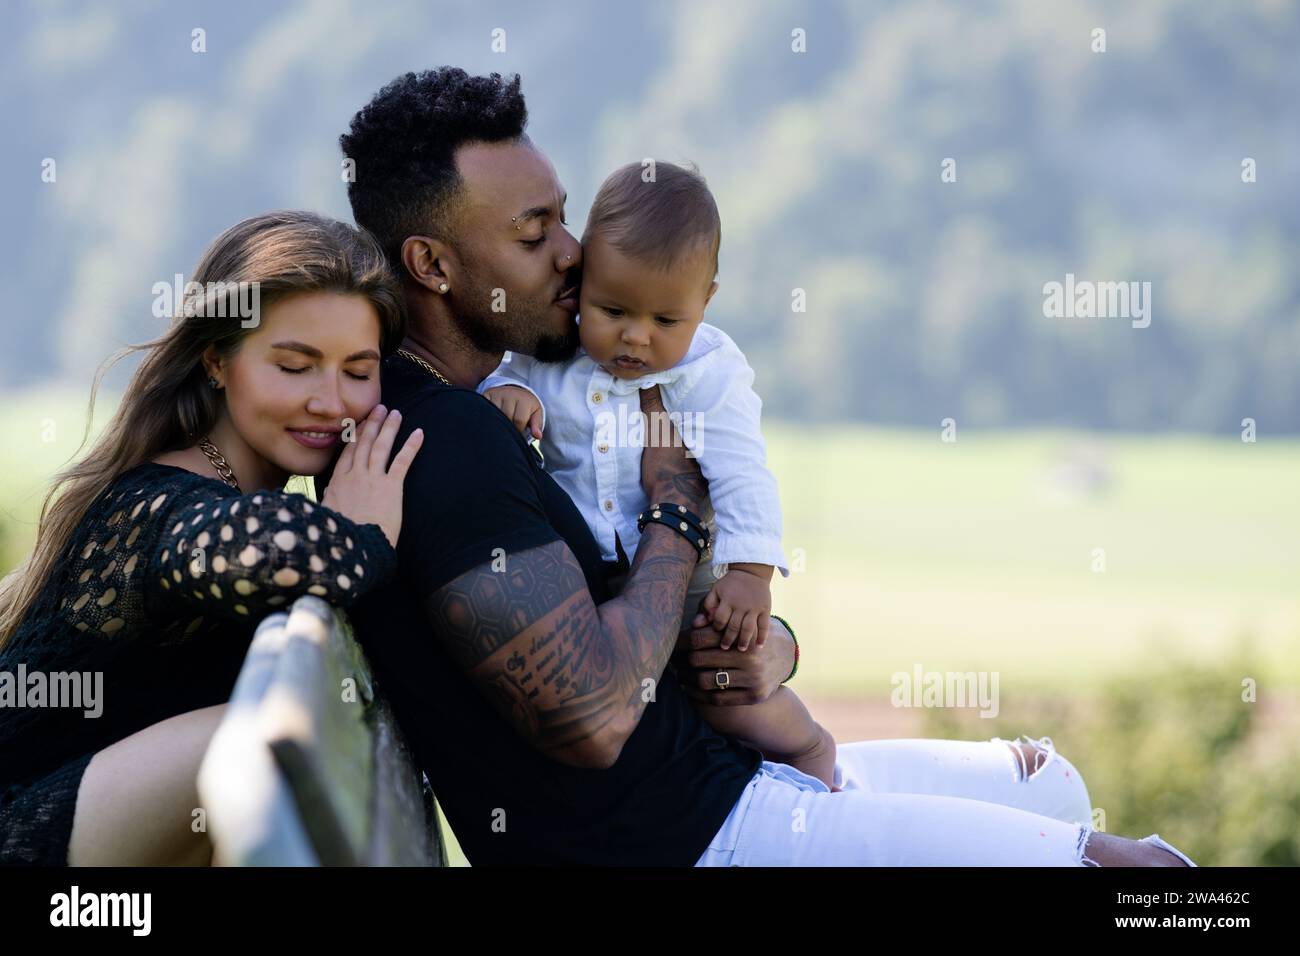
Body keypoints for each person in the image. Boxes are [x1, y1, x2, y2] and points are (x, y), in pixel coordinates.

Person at [338, 67, 1195, 867]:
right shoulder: (441, 445)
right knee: (1138, 870)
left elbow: (628, 615)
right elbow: (594, 716)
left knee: (1050, 782)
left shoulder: (498, 403)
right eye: (535, 233)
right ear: (434, 265)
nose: (572, 251)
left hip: (723, 778)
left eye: (564, 218)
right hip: (699, 837)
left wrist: (764, 647)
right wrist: (676, 508)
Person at [0, 211, 424, 865]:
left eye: (358, 371)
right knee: (246, 734)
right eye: (295, 365)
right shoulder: (152, 504)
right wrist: (361, 536)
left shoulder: (241, 491)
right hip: (24, 829)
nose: (331, 402)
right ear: (217, 362)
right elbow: (274, 551)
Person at [479, 160, 836, 788]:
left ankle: (809, 748)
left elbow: (742, 471)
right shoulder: (550, 353)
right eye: (612, 309)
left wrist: (751, 575)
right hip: (589, 575)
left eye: (666, 321)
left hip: (691, 567)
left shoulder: (708, 371)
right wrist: (510, 393)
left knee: (723, 685)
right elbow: (503, 374)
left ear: (705, 302)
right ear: (583, 279)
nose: (635, 338)